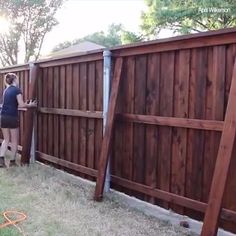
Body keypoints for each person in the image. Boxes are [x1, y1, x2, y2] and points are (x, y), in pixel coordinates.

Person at [0, 73, 37, 168]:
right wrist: (31, 105)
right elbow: (21, 104)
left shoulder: (6, 90)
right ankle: (12, 162)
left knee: (6, 139)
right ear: (14, 80)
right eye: (17, 79)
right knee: (14, 140)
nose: (18, 80)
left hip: (3, 116)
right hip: (12, 117)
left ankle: (1, 160)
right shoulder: (16, 90)